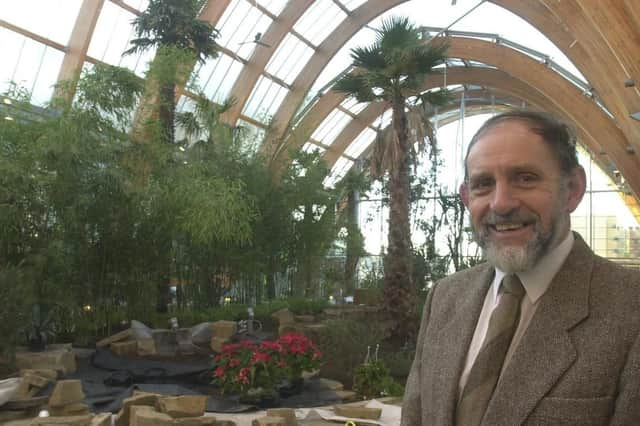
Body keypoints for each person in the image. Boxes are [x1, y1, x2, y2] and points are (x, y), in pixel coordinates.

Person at [401, 110, 640, 425]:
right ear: (466, 198)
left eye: (525, 178)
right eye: (483, 184)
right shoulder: (445, 298)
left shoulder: (630, 308)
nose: (500, 203)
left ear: (572, 189)